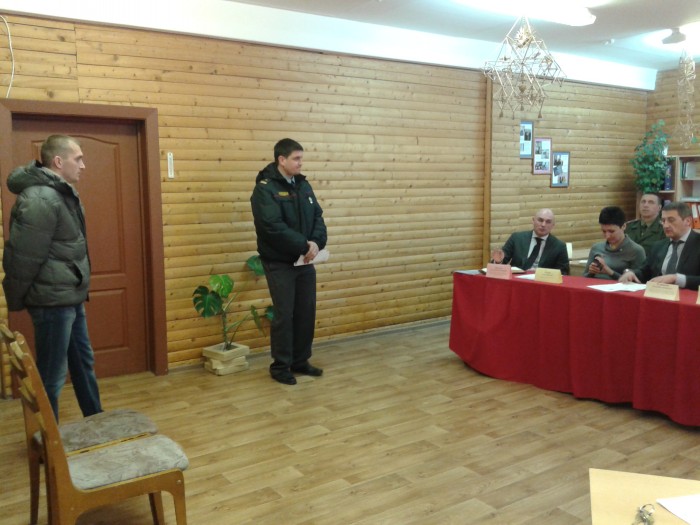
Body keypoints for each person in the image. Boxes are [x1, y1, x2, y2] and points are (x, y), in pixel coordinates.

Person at [2, 135, 102, 420]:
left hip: (69, 297)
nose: (83, 165)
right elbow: (23, 257)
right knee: (52, 376)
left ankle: (96, 422)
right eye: (78, 159)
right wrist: (16, 299)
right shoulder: (41, 198)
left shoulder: (60, 193)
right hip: (51, 302)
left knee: (83, 364)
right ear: (58, 161)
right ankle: (49, 439)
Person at [250, 138, 327, 385]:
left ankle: (300, 360)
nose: (300, 163)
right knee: (284, 314)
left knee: (306, 312)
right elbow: (271, 226)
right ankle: (281, 366)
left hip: (305, 261)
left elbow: (318, 217)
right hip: (280, 263)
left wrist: (316, 243)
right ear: (281, 160)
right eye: (296, 158)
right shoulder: (265, 189)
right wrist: (304, 245)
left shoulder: (303, 185)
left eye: (301, 158)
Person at [619, 201, 700, 290]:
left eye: (671, 220)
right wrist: (631, 273)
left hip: (689, 297)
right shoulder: (658, 246)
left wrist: (676, 278)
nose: (665, 225)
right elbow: (644, 271)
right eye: (663, 221)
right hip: (658, 295)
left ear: (688, 221)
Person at [491, 208, 570, 274]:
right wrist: (498, 261)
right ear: (533, 220)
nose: (543, 225)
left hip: (542, 284)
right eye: (540, 220)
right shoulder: (517, 238)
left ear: (553, 225)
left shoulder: (559, 246)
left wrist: (540, 273)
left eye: (548, 222)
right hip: (516, 281)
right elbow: (500, 262)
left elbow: (563, 273)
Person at [584, 206, 645, 280]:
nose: (607, 236)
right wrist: (592, 272)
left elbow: (638, 282)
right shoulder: (596, 248)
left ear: (623, 226)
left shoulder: (636, 251)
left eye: (611, 231)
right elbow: (584, 278)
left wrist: (609, 272)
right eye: (604, 231)